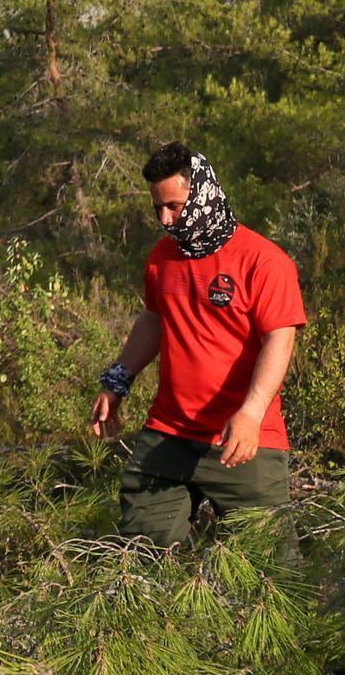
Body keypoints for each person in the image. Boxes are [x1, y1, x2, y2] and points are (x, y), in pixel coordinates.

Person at [87, 145, 305, 545]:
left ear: (203, 193)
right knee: (140, 562)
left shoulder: (264, 262)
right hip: (168, 436)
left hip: (242, 441)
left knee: (271, 581)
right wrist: (117, 382)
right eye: (158, 209)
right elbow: (154, 319)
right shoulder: (162, 258)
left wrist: (251, 414)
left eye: (174, 206)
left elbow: (280, 338)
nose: (166, 220)